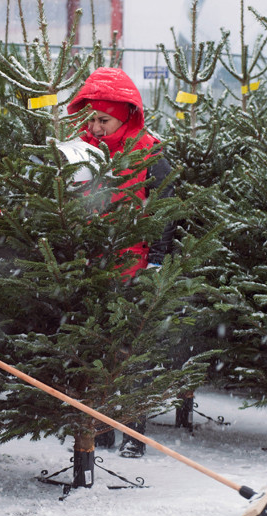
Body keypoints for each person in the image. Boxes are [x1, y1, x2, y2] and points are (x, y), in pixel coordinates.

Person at [67, 67, 177, 458]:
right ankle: (99, 430)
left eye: (104, 118)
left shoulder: (149, 153)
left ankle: (133, 432)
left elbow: (163, 211)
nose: (96, 126)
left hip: (133, 265)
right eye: (91, 118)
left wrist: (157, 263)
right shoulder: (80, 151)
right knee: (96, 348)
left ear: (125, 116)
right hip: (92, 265)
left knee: (131, 353)